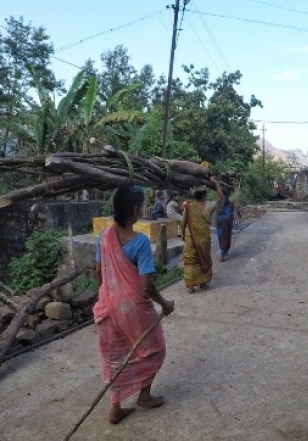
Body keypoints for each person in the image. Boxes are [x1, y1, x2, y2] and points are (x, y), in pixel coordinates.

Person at [93, 185, 175, 425]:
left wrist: (106, 293)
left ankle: (115, 407)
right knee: (155, 348)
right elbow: (146, 286)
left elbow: (98, 271)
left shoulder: (104, 236)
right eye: (141, 205)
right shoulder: (140, 242)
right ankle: (144, 395)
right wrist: (165, 304)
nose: (143, 209)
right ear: (135, 211)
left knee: (114, 357)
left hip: (106, 307)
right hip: (133, 309)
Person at [181, 178, 222, 293]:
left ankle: (190, 286)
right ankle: (203, 283)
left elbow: (183, 222)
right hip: (204, 240)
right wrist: (216, 183)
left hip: (191, 239)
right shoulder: (210, 205)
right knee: (204, 260)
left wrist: (183, 235)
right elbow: (220, 198)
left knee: (191, 261)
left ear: (195, 195)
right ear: (205, 194)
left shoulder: (188, 206)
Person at [214, 183, 239, 262]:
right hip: (225, 221)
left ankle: (224, 252)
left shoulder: (220, 199)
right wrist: (216, 183)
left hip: (220, 221)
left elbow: (235, 207)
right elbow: (236, 206)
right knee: (225, 237)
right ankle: (223, 254)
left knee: (221, 237)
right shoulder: (224, 198)